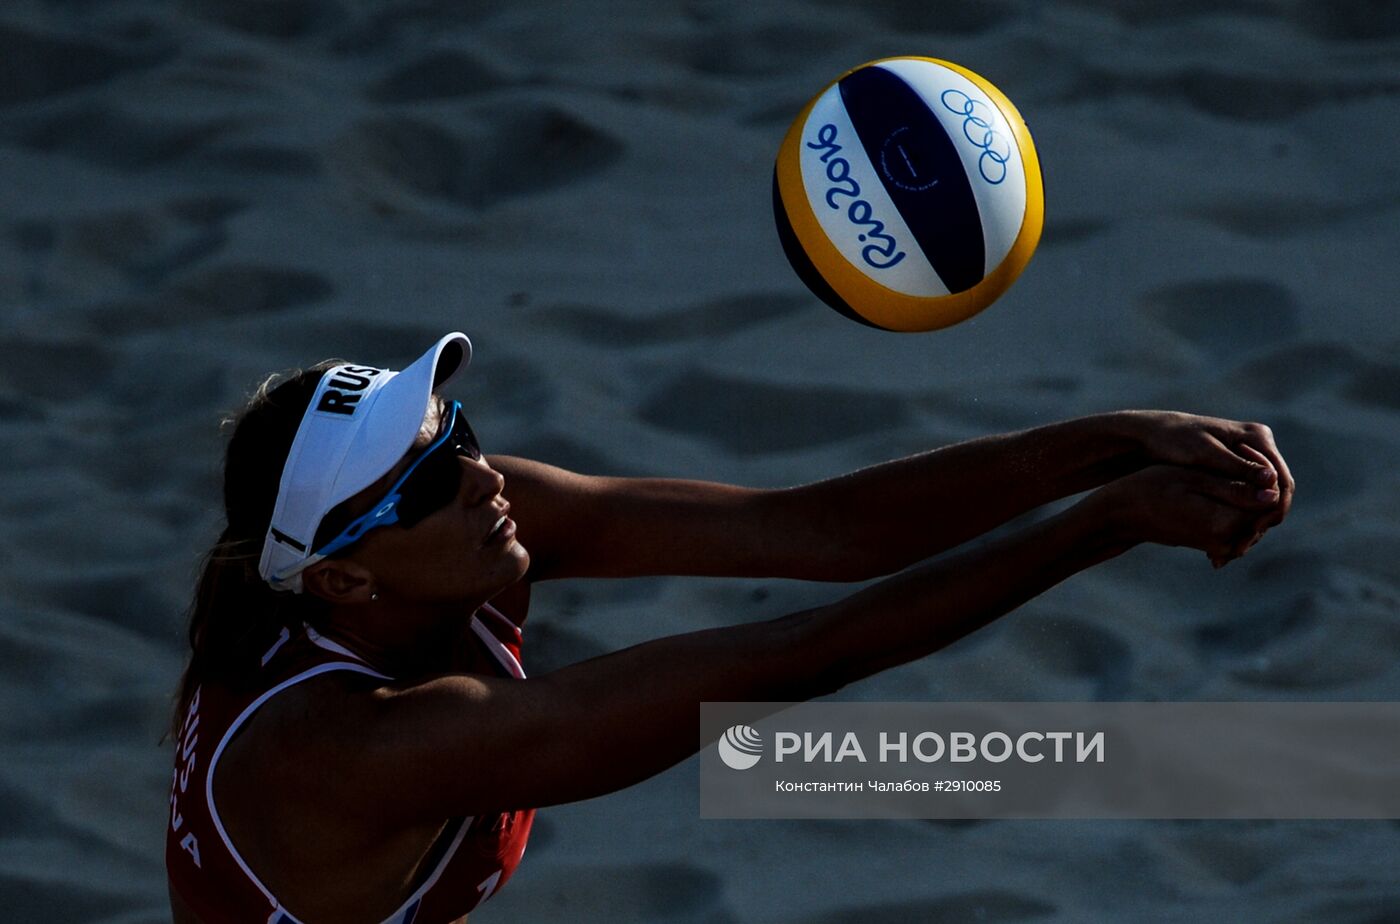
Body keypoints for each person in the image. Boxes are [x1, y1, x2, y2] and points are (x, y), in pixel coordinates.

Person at [165, 331, 1293, 923]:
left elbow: (815, 531)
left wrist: (1115, 439)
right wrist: (1100, 525)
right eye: (417, 482)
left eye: (449, 430)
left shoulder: (471, 521)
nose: (470, 474)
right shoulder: (351, 751)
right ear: (348, 586)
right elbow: (807, 655)